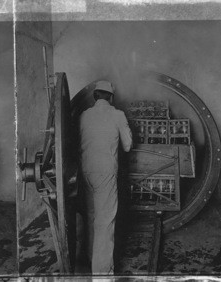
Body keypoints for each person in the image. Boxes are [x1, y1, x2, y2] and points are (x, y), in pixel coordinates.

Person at [78, 81, 132, 275]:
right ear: (111, 97)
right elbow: (127, 145)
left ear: (95, 96)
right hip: (105, 172)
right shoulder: (117, 115)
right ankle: (102, 275)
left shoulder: (84, 115)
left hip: (86, 170)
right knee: (105, 221)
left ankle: (92, 259)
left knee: (91, 216)